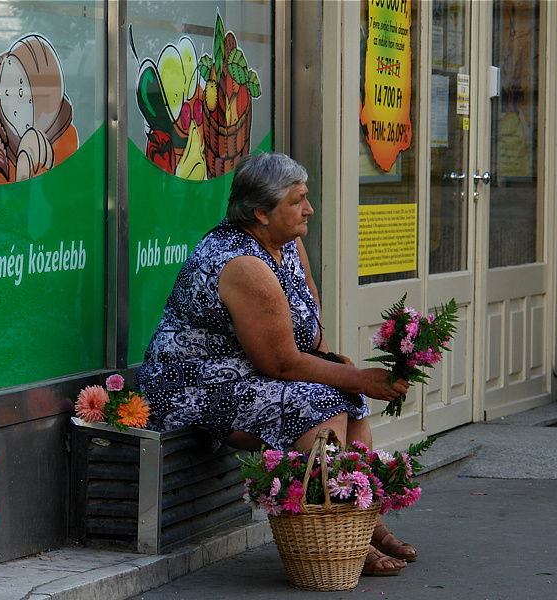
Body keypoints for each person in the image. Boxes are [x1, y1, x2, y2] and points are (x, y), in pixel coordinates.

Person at [135, 152, 417, 575]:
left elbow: (309, 324)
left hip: (247, 370)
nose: (309, 209)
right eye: (298, 200)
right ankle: (335, 533)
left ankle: (361, 522)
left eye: (307, 197)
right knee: (320, 404)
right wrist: (357, 375)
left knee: (347, 394)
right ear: (261, 213)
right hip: (194, 383)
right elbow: (281, 364)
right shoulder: (244, 265)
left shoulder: (288, 243)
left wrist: (338, 367)